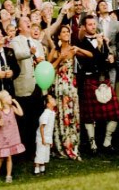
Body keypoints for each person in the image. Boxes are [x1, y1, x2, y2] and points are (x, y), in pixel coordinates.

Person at [76, 14, 119, 154]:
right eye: (90, 24)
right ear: (84, 27)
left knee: (115, 113)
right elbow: (91, 60)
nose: (93, 26)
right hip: (90, 80)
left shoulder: (102, 39)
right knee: (89, 116)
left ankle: (107, 142)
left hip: (104, 80)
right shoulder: (81, 42)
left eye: (94, 24)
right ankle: (92, 145)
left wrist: (109, 54)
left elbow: (108, 60)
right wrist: (100, 46)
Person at [10, 16, 45, 154]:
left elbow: (43, 63)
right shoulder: (15, 41)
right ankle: (22, 150)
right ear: (19, 27)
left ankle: (33, 149)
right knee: (23, 119)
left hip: (37, 85)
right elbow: (18, 55)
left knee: (35, 118)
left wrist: (40, 62)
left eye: (29, 20)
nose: (28, 22)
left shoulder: (37, 43)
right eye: (25, 21)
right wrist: (30, 53)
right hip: (23, 85)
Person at [48, 24, 81, 160]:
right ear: (59, 36)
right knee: (61, 114)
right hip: (60, 85)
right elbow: (49, 67)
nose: (66, 33)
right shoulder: (55, 50)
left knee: (72, 113)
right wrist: (60, 59)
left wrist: (80, 50)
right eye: (63, 32)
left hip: (71, 85)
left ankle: (72, 144)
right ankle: (61, 145)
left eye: (68, 31)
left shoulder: (73, 49)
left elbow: (91, 55)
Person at [0, 90, 25, 183]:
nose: (10, 97)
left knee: (9, 157)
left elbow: (21, 113)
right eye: (8, 96)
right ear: (3, 100)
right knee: (0, 158)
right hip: (3, 138)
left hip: (12, 137)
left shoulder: (12, 108)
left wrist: (16, 102)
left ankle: (8, 175)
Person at [34, 94, 57, 175]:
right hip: (41, 136)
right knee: (40, 152)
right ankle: (36, 169)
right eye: (51, 99)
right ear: (47, 104)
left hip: (47, 136)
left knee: (45, 153)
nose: (54, 100)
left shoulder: (52, 113)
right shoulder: (46, 114)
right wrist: (43, 139)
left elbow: (50, 128)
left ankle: (42, 168)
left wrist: (50, 140)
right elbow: (42, 127)